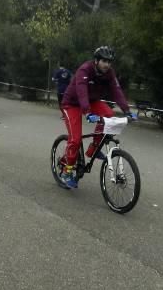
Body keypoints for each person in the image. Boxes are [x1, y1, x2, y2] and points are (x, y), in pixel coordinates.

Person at [59, 46, 137, 188]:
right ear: (96, 60)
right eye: (104, 61)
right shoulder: (85, 69)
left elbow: (117, 91)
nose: (107, 64)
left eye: (109, 62)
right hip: (72, 104)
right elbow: (81, 91)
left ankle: (93, 148)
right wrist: (88, 112)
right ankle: (66, 171)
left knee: (108, 114)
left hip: (92, 101)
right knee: (75, 140)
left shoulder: (109, 73)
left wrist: (127, 110)